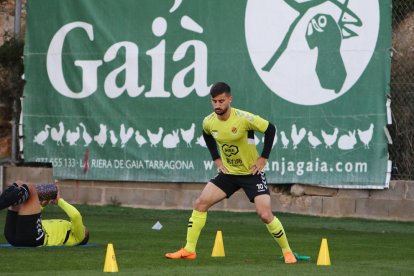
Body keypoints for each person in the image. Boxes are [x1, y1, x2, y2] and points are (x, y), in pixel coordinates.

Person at [165, 82, 297, 264]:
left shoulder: (243, 118)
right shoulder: (209, 121)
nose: (217, 105)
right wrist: (217, 160)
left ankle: (287, 251)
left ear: (229, 99)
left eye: (221, 101)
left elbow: (270, 129)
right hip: (228, 174)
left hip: (252, 173)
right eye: (214, 101)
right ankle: (189, 250)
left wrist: (263, 158)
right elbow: (207, 135)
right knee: (201, 203)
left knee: (265, 214)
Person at [0, 180, 89, 247]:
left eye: (83, 228)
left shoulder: (78, 237)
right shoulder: (66, 227)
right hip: (15, 235)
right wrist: (41, 206)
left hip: (33, 238)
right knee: (18, 184)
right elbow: (34, 222)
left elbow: (76, 216)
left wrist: (59, 201)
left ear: (84, 235)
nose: (82, 226)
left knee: (31, 188)